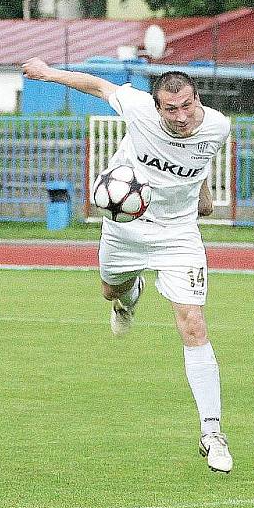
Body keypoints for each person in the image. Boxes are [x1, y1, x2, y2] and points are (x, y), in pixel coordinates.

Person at [22, 58, 233, 473]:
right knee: (111, 290)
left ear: (197, 100)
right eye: (170, 110)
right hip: (126, 226)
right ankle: (127, 299)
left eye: (187, 106)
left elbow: (201, 159)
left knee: (192, 321)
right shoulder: (137, 108)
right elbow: (96, 85)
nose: (180, 116)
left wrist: (203, 195)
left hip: (178, 234)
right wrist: (48, 73)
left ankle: (212, 431)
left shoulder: (217, 126)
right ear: (156, 108)